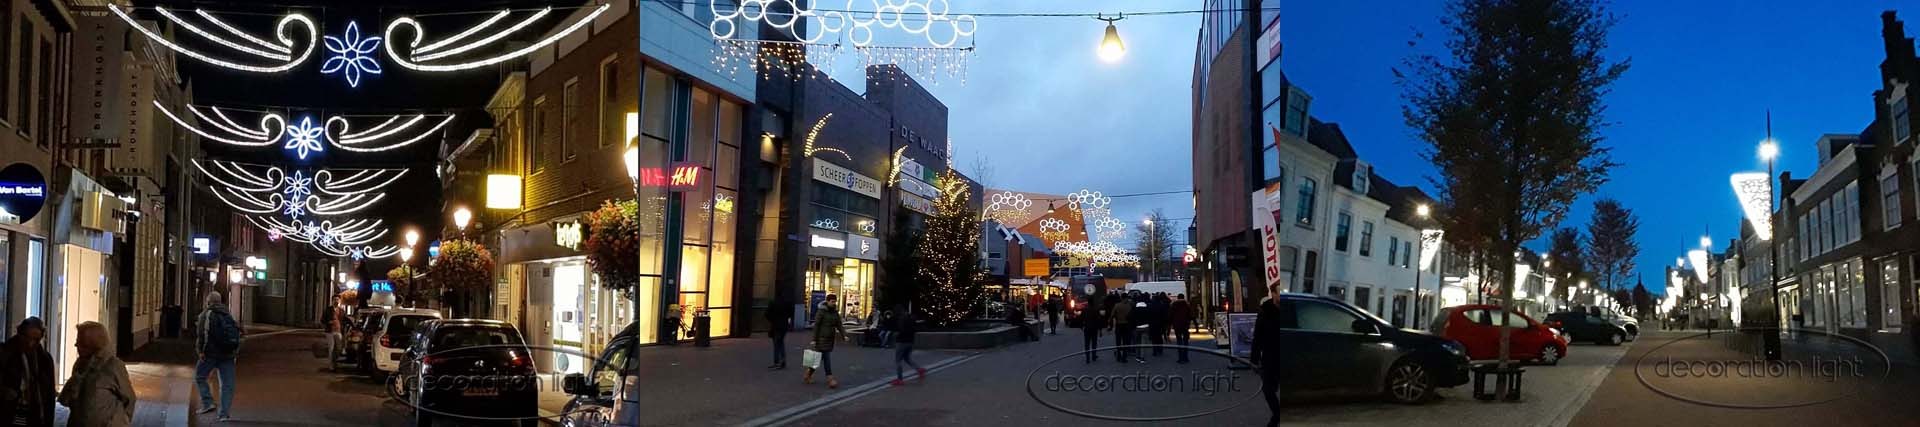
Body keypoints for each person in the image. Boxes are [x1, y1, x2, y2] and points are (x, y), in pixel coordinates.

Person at [59, 321, 133, 427]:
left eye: (81, 343)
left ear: (94, 344)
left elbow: (129, 399)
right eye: (77, 341)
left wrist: (119, 421)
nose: (76, 345)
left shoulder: (113, 365)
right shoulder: (80, 363)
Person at [195, 291, 243, 421]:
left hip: (210, 354)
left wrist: (201, 351)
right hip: (227, 355)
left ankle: (208, 402)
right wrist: (234, 352)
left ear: (208, 302)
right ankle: (224, 414)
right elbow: (236, 334)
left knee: (200, 376)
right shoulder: (227, 314)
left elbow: (203, 335)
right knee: (227, 384)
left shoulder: (206, 314)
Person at [0, 317, 55, 426]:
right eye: (27, 338)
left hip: (34, 415)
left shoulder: (44, 359)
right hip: (8, 414)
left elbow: (49, 395)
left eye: (36, 339)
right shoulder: (5, 353)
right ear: (19, 333)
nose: (30, 343)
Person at [1250, 285, 1290, 427]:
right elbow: (1257, 336)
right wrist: (1254, 359)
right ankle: (1278, 414)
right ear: (1272, 294)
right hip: (1270, 356)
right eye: (1279, 293)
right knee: (1268, 389)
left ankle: (1277, 418)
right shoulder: (1265, 312)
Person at [805, 295, 845, 388]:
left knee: (817, 359)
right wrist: (814, 339)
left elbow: (839, 324)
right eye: (832, 301)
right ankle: (830, 379)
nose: (834, 303)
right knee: (826, 358)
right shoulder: (821, 311)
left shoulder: (835, 312)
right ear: (827, 301)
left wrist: (844, 335)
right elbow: (817, 326)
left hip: (830, 339)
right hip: (821, 339)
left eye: (835, 301)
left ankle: (808, 374)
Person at [890, 307, 926, 386]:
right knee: (907, 358)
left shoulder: (901, 319)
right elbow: (915, 327)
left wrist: (896, 335)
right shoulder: (911, 318)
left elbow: (900, 330)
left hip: (902, 341)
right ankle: (919, 369)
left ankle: (900, 379)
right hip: (910, 341)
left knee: (898, 360)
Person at [766, 300, 793, 370]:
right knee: (781, 342)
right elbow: (790, 313)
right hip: (784, 326)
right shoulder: (786, 302)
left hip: (776, 326)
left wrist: (772, 320)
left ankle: (777, 362)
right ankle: (782, 360)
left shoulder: (773, 303)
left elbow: (767, 314)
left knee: (776, 344)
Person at [1077, 298, 1106, 364]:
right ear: (1093, 303)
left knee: (1087, 343)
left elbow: (1080, 318)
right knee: (1094, 343)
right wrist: (1100, 330)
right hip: (1094, 328)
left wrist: (1081, 326)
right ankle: (1093, 356)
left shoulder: (1085, 310)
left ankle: (1087, 358)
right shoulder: (1096, 310)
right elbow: (1099, 320)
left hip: (1087, 328)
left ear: (1088, 303)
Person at [1108, 295, 1134, 362]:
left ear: (1121, 298)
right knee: (1125, 341)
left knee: (1118, 341)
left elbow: (1112, 316)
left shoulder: (1117, 305)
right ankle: (1124, 357)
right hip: (1127, 325)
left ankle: (1119, 355)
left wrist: (1110, 325)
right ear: (1126, 298)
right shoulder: (1130, 306)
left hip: (1119, 325)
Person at [1170, 294, 1193, 364]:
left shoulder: (1174, 305)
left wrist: (1172, 323)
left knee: (1179, 340)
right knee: (1185, 341)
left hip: (1177, 325)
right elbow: (1190, 315)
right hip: (1185, 325)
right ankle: (1186, 357)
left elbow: (1171, 314)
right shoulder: (1187, 305)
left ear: (1178, 298)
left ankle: (1180, 358)